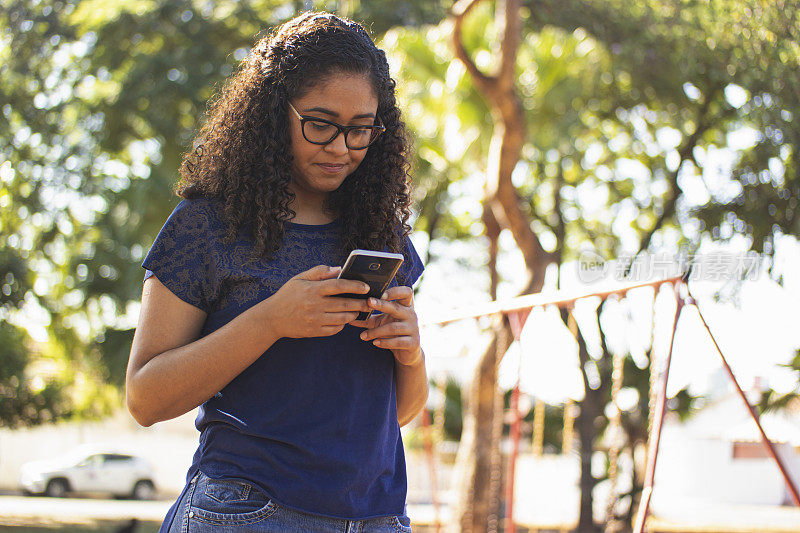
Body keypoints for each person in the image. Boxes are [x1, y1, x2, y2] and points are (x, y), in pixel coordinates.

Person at [125, 12, 426, 533]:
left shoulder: (383, 235)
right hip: (248, 511)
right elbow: (145, 399)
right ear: (272, 113)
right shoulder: (208, 225)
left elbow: (397, 413)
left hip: (376, 516)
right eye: (320, 123)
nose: (340, 147)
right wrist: (272, 320)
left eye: (360, 130)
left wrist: (411, 352)